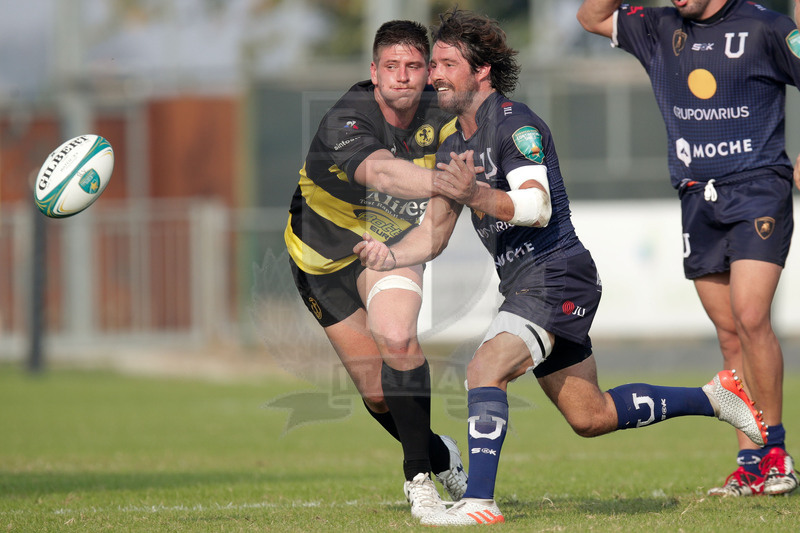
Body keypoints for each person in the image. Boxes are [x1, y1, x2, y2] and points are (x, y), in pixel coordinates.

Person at [354, 8, 769, 526]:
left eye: (445, 63)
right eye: (433, 65)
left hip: (556, 273)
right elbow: (434, 234)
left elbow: (537, 206)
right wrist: (389, 253)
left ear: (481, 71)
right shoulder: (454, 144)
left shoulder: (516, 123)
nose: (433, 74)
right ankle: (715, 396)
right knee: (589, 416)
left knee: (485, 368)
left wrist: (478, 193)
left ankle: (478, 501)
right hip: (528, 284)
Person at [577, 0, 800, 496]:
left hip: (759, 187)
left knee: (751, 314)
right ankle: (750, 462)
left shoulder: (766, 26)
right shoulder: (657, 26)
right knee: (728, 333)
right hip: (697, 196)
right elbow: (590, 17)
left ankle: (777, 452)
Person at [283, 20, 467, 519]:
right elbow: (384, 172)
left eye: (413, 67)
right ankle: (441, 454)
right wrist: (454, 183)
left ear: (428, 71)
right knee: (377, 394)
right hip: (320, 260)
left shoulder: (448, 118)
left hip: (390, 247)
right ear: (374, 71)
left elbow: (440, 223)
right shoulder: (347, 117)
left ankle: (420, 481)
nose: (402, 77)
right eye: (392, 67)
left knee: (399, 339)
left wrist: (424, 233)